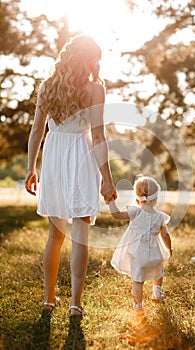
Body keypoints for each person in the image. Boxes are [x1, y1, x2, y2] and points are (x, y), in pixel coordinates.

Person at [25, 34, 117, 317]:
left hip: (53, 154)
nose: (97, 64)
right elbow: (99, 135)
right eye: (95, 58)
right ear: (88, 58)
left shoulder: (48, 87)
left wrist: (31, 168)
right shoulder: (94, 90)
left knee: (55, 235)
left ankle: (48, 300)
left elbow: (37, 130)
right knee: (81, 232)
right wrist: (108, 178)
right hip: (81, 154)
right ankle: (76, 304)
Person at [107, 175, 172, 311]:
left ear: (137, 198)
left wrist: (111, 202)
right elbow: (165, 235)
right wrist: (169, 249)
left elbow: (116, 215)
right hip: (155, 253)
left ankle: (138, 306)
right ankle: (157, 293)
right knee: (159, 272)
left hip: (137, 254)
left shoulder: (135, 212)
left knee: (138, 280)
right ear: (155, 199)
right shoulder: (160, 216)